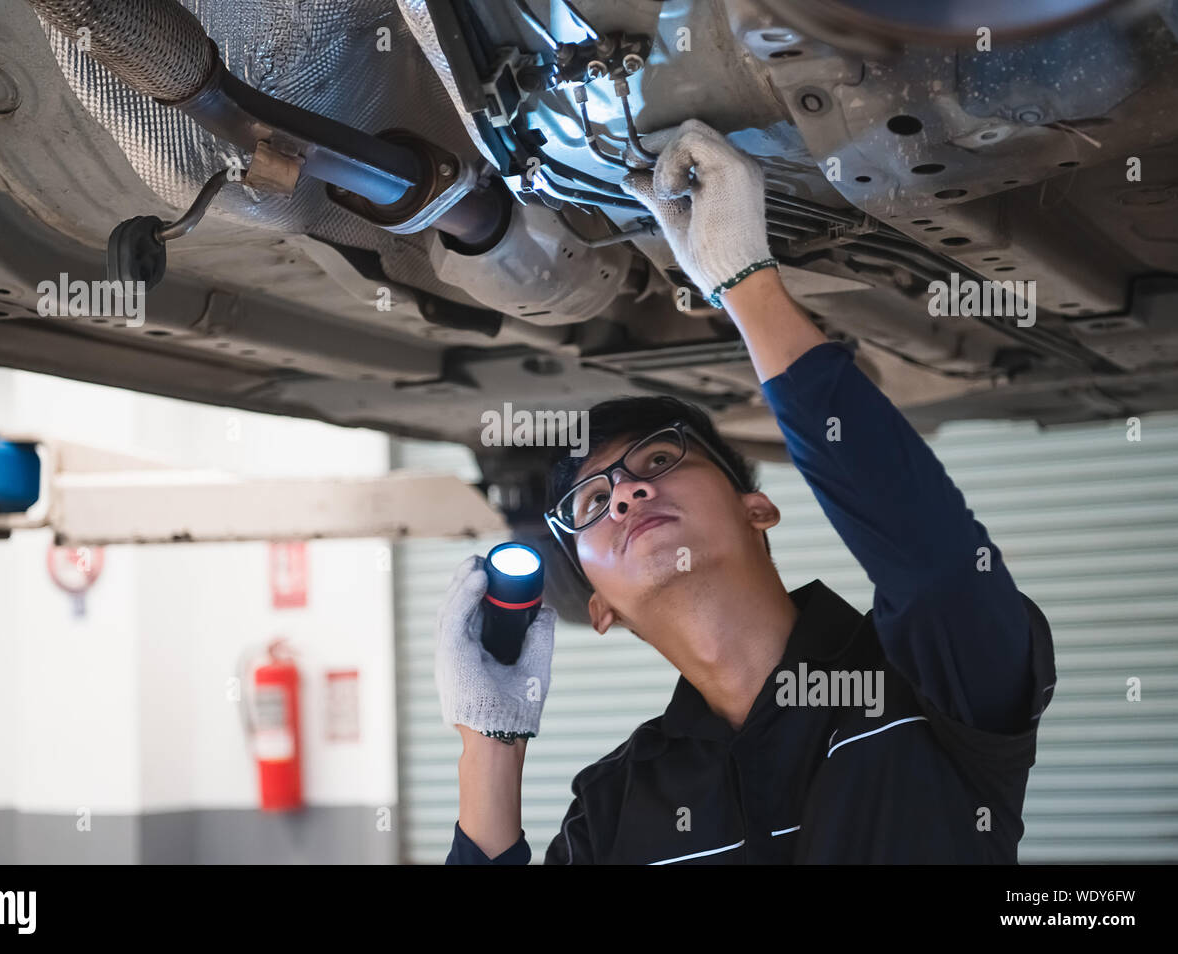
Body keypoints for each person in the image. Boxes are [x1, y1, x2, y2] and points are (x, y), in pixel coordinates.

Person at [434, 119, 1057, 864]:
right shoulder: (613, 805)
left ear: (756, 508)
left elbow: (929, 552)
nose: (626, 492)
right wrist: (490, 743)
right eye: (592, 505)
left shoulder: (923, 681)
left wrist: (746, 283)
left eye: (659, 459)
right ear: (599, 607)